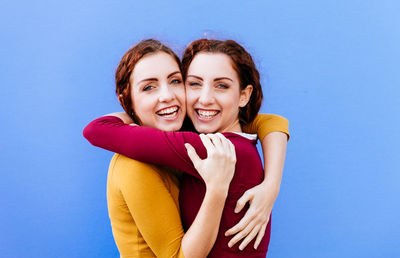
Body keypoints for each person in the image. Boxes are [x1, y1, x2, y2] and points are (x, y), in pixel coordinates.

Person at [84, 39, 289, 257]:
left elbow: (98, 129)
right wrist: (271, 183)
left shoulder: (216, 149)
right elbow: (270, 121)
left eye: (174, 81)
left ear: (244, 96)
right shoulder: (143, 160)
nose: (205, 98)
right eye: (194, 83)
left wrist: (272, 184)